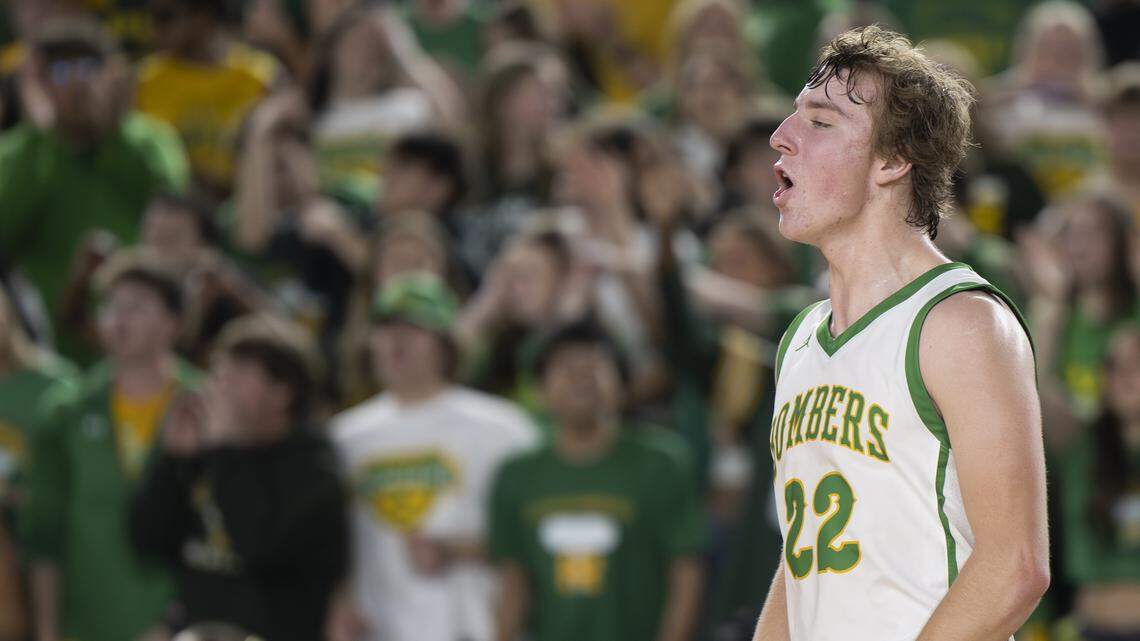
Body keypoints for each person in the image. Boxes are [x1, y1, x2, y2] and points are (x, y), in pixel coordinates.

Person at [751, 26, 1049, 640]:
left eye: (821, 122)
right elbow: (801, 565)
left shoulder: (960, 322)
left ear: (891, 161)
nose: (781, 137)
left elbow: (1014, 568)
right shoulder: (803, 337)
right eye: (791, 117)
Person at [327, 272, 536, 641]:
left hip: (475, 628)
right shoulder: (344, 438)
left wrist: (461, 549)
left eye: (413, 330)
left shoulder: (504, 429)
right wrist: (339, 600)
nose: (396, 343)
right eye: (385, 330)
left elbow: (537, 530)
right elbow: (329, 543)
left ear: (446, 344)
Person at [130, 313, 348, 641]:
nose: (220, 382)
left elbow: (257, 544)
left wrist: (223, 449)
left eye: (239, 372)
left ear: (282, 393)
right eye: (218, 369)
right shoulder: (210, 453)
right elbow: (147, 544)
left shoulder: (313, 465)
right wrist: (173, 462)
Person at [489, 319, 706, 641]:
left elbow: (686, 572)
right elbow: (513, 580)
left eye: (594, 366)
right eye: (565, 368)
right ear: (540, 389)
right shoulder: (516, 474)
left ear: (623, 385)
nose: (580, 379)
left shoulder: (661, 463)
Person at [21, 252, 200, 641]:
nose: (118, 319)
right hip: (88, 626)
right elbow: (44, 535)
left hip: (182, 627)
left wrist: (178, 620)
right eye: (110, 306)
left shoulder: (206, 407)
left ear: (173, 322)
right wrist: (48, 631)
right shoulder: (65, 412)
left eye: (136, 307)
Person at [0, 18, 189, 355]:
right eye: (61, 71)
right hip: (47, 346)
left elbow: (176, 218)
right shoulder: (20, 152)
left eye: (88, 67)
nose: (77, 83)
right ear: (39, 82)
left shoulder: (150, 141)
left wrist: (112, 135)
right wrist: (48, 135)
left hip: (144, 342)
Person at [136, 0, 282, 197]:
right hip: (175, 207)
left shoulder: (261, 76)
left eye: (165, 17)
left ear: (202, 16)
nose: (153, 29)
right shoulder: (146, 80)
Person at [1060, 326, 1140, 640]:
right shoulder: (1085, 452)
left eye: (1137, 364)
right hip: (1102, 628)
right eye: (1115, 366)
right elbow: (1083, 565)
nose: (1125, 376)